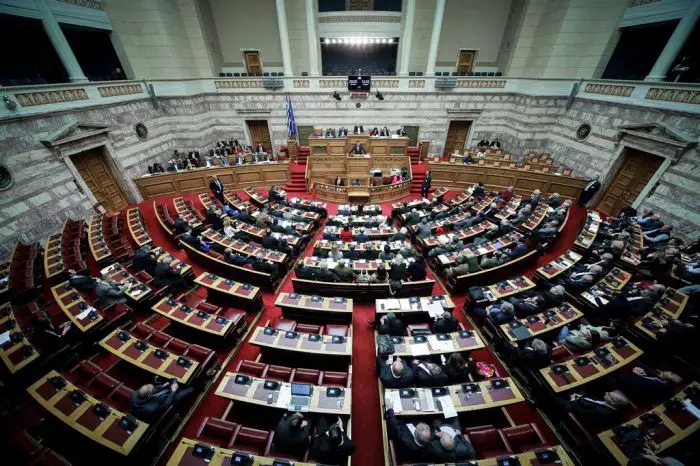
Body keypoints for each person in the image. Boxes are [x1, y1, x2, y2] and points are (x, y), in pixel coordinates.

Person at [562, 391, 629, 428]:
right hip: (586, 402)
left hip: (581, 411)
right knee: (580, 391)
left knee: (562, 401)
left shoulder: (602, 412)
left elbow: (581, 411)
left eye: (608, 394)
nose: (606, 392)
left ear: (612, 402)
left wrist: (573, 400)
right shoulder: (611, 405)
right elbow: (596, 401)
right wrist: (583, 396)